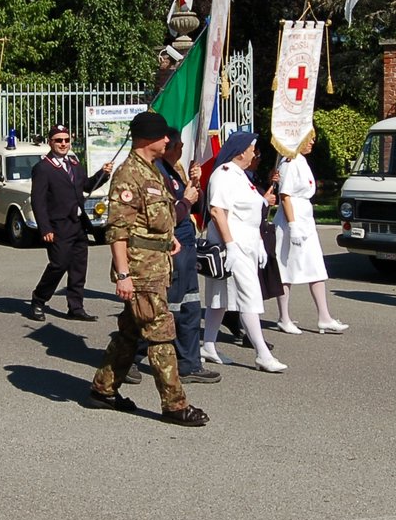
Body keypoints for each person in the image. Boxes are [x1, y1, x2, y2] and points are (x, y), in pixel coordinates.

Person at [84, 110, 208, 426]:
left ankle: (103, 390)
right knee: (161, 335)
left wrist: (168, 241)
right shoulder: (129, 176)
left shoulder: (152, 172)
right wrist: (123, 274)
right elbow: (117, 230)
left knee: (129, 333)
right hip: (140, 273)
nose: (168, 140)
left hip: (155, 266)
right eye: (163, 135)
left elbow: (151, 221)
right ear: (148, 139)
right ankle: (175, 405)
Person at [200, 131, 286, 373]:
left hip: (246, 245)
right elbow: (217, 211)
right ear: (240, 151)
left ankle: (208, 344)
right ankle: (262, 353)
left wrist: (258, 240)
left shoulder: (241, 176)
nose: (254, 154)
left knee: (220, 299)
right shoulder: (224, 174)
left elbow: (249, 211)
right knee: (249, 297)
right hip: (233, 246)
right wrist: (230, 245)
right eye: (252, 149)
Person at [147, 120, 217, 384]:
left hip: (187, 246)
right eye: (178, 145)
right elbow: (167, 216)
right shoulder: (155, 173)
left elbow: (194, 207)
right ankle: (129, 354)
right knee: (168, 310)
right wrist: (186, 199)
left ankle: (189, 365)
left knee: (189, 307)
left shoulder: (175, 171)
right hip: (172, 246)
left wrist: (195, 185)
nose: (181, 149)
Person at [26, 124, 111, 322]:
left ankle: (76, 307)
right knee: (58, 264)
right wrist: (45, 227)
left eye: (66, 140)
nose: (63, 144)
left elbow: (86, 186)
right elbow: (37, 200)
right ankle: (39, 299)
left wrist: (103, 174)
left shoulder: (74, 163)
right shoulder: (43, 168)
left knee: (78, 267)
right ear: (50, 142)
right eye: (58, 140)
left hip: (78, 223)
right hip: (58, 226)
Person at [274, 130, 348, 334]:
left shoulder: (301, 161)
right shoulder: (288, 163)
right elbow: (285, 196)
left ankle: (324, 316)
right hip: (293, 219)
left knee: (316, 266)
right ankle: (284, 317)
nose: (313, 141)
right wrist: (293, 225)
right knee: (287, 267)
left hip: (305, 218)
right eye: (310, 138)